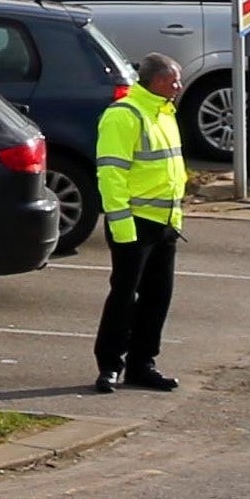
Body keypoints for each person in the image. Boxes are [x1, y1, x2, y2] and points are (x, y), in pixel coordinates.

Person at [93, 52, 188, 394]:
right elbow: (111, 174)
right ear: (156, 81)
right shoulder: (125, 115)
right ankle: (109, 366)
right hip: (134, 223)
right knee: (123, 297)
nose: (178, 86)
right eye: (173, 80)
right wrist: (122, 227)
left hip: (164, 221)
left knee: (157, 297)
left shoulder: (164, 113)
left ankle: (142, 364)